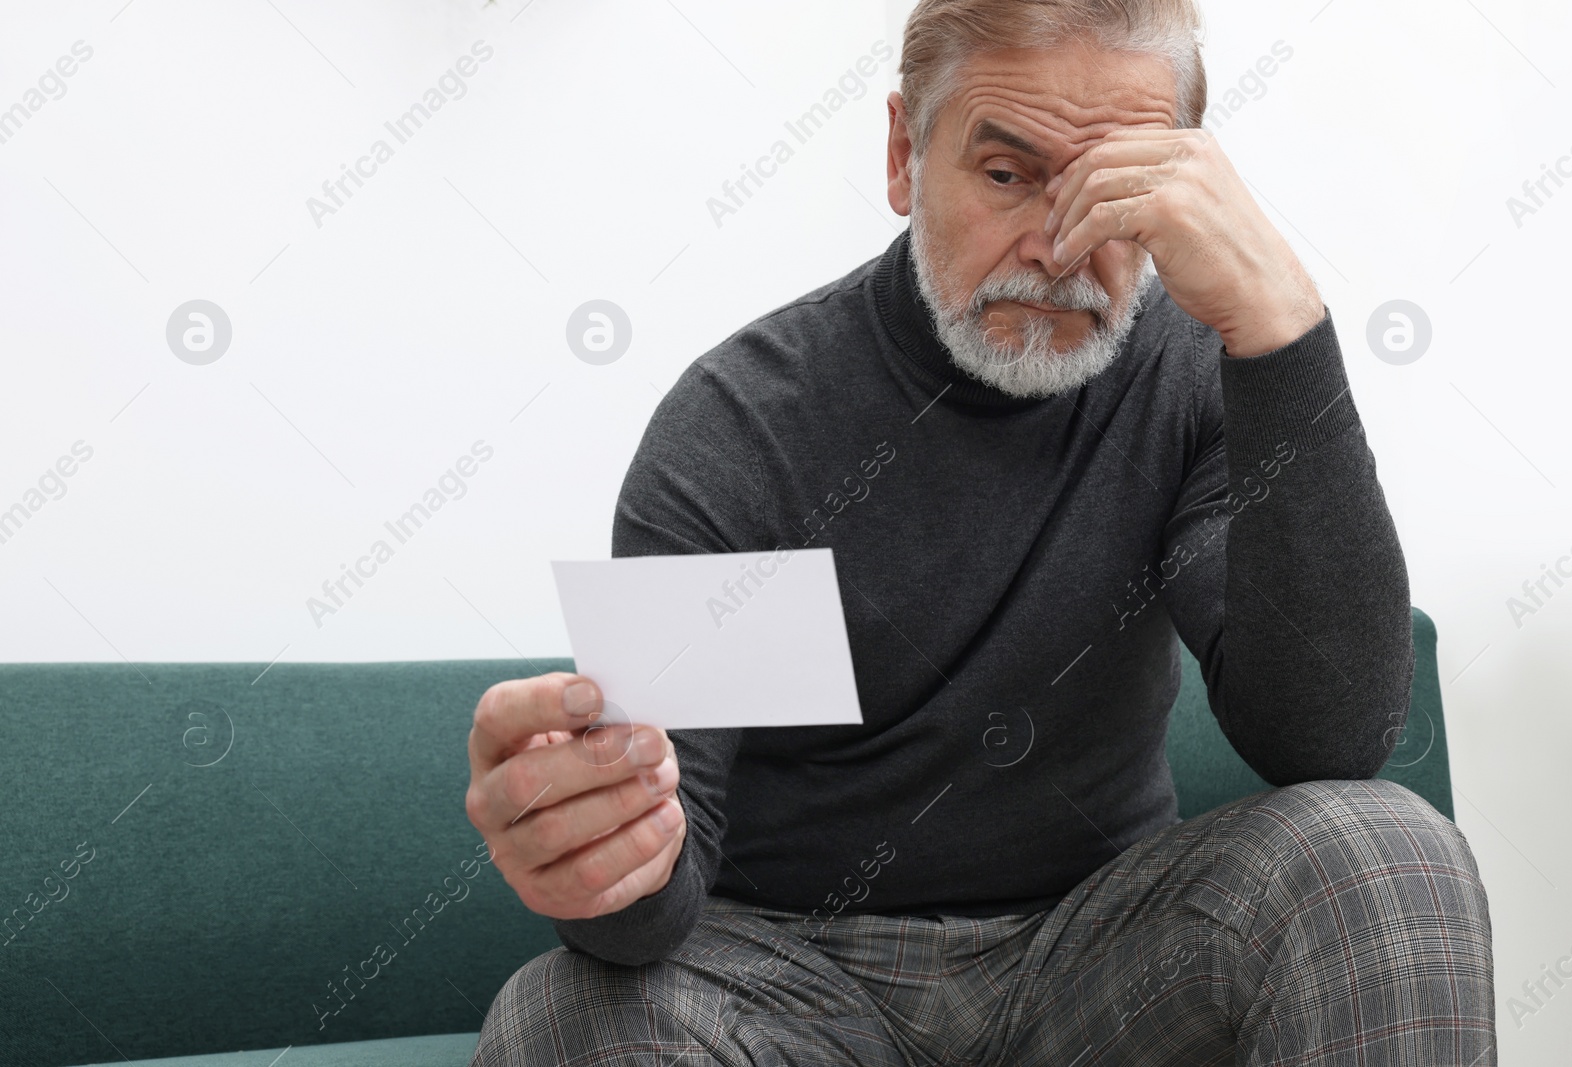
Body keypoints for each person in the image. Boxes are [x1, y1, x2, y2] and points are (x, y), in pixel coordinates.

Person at [465, 1, 1494, 1062]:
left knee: (1387, 851)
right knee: (558, 1013)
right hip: (790, 980)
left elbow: (1325, 740)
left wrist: (1280, 320)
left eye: (1116, 191)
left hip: (1100, 963)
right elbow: (652, 905)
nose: (1058, 248)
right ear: (906, 154)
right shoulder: (746, 423)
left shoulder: (1195, 374)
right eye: (1006, 176)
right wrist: (602, 863)